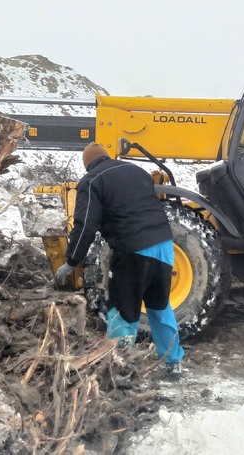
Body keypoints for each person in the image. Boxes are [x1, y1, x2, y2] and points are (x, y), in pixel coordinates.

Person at [54, 143, 185, 378]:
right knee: (159, 305)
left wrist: (72, 261)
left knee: (124, 309)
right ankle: (173, 361)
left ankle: (118, 365)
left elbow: (85, 226)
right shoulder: (136, 170)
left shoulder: (92, 181)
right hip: (164, 245)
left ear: (88, 164)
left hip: (133, 249)